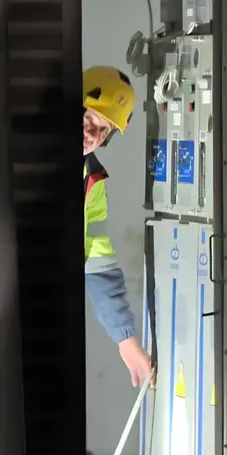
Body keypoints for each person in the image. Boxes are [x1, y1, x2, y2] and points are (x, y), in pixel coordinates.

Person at [81, 65, 153, 387]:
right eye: (89, 118)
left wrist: (126, 340)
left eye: (103, 129)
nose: (92, 135)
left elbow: (98, 264)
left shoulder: (93, 183)